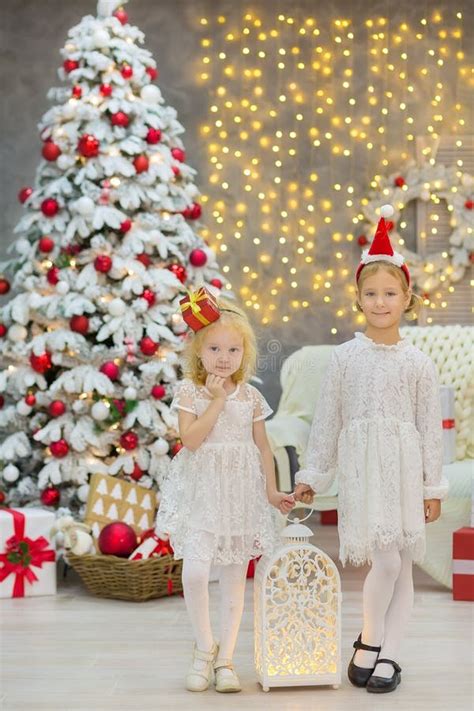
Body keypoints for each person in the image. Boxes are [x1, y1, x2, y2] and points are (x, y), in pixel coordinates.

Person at [294, 205, 448, 694]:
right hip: (364, 471)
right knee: (387, 563)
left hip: (402, 471)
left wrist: (432, 485)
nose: (380, 302)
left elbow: (428, 427)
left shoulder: (418, 362)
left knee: (396, 564)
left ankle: (380, 647)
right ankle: (373, 640)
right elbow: (327, 422)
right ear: (358, 298)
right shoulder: (344, 358)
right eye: (371, 294)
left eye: (390, 293)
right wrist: (313, 475)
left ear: (407, 296)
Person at [156, 288, 294, 694]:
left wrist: (271, 492)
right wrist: (215, 402)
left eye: (233, 350)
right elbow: (191, 441)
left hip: (239, 496)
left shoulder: (251, 396)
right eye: (214, 348)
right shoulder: (190, 393)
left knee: (235, 579)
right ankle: (204, 648)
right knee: (197, 572)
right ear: (199, 351)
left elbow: (264, 448)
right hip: (203, 495)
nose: (223, 357)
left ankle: (227, 661)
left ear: (244, 354)